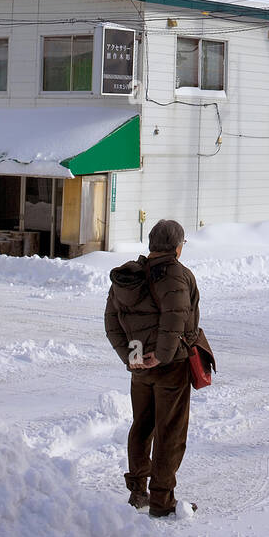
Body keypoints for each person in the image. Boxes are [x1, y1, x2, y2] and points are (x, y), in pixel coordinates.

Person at [104, 218, 215, 518]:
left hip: (140, 367)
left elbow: (111, 321)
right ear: (177, 248)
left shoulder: (128, 277)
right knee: (170, 432)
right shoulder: (177, 275)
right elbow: (175, 318)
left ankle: (138, 492)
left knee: (142, 425)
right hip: (171, 366)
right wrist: (161, 356)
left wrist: (130, 355)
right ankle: (162, 500)